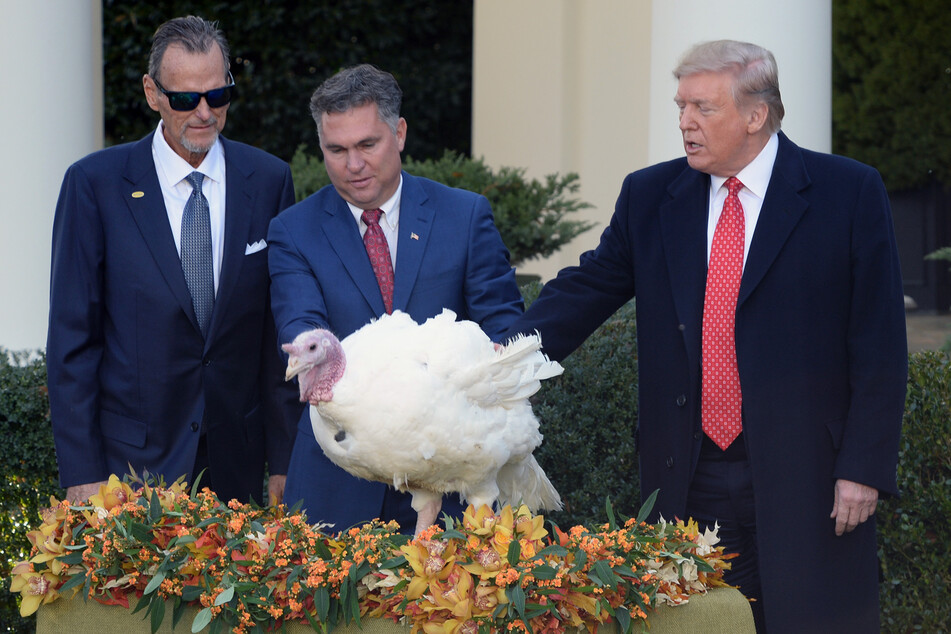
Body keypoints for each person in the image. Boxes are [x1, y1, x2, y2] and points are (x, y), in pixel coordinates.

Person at [501, 40, 906, 633]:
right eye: (681, 106)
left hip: (812, 476)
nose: (686, 122)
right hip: (691, 473)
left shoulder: (847, 192)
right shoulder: (651, 195)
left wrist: (864, 467)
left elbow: (878, 346)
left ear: (755, 115)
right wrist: (496, 360)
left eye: (703, 108)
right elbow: (585, 290)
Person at [47, 16, 300, 506]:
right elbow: (72, 341)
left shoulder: (269, 181)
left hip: (237, 470)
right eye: (185, 99)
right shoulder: (94, 185)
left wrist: (286, 461)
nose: (204, 112)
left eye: (218, 95)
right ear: (152, 93)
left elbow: (278, 338)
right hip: (130, 473)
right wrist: (82, 473)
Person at [268, 63, 524, 532]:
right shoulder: (293, 231)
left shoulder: (463, 216)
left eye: (368, 144)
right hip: (337, 483)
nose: (353, 164)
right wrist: (312, 347)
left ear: (399, 133)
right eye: (336, 149)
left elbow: (505, 328)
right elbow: (299, 319)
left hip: (452, 483)